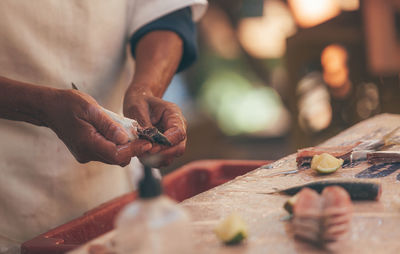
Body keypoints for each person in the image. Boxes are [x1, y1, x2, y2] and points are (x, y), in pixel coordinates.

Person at [0, 1, 207, 253]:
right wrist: (40, 106)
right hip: (8, 195)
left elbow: (165, 12)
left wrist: (146, 89)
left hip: (114, 195)